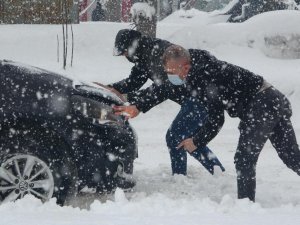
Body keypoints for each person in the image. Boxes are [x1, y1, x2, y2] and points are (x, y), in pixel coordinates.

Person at [114, 45, 300, 201]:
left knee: (244, 159)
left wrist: (196, 141)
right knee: (291, 157)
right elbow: (164, 87)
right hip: (272, 99)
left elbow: (216, 120)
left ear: (185, 68)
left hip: (263, 104)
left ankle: (246, 208)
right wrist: (138, 106)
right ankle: (246, 204)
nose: (169, 75)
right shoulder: (195, 70)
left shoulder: (205, 76)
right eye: (167, 71)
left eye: (172, 71)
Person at [97, 29, 225, 176]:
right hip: (191, 97)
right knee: (187, 138)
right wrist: (112, 88)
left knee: (175, 136)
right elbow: (134, 81)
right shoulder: (143, 55)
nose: (125, 56)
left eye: (125, 52)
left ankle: (181, 176)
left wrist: (137, 104)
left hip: (198, 96)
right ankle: (216, 171)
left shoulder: (158, 53)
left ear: (132, 46)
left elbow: (164, 88)